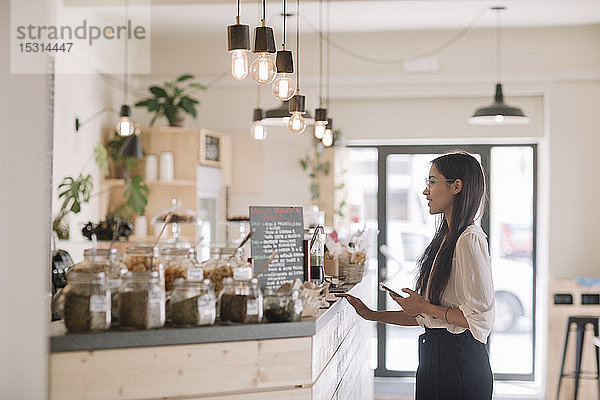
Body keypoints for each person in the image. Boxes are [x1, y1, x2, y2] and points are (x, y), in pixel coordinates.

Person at [337, 151, 495, 400]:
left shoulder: (469, 239)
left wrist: (424, 306)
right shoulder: (446, 239)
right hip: (436, 357)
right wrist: (370, 314)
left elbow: (478, 319)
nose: (425, 191)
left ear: (456, 186)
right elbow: (429, 319)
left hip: (459, 364)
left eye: (432, 182)